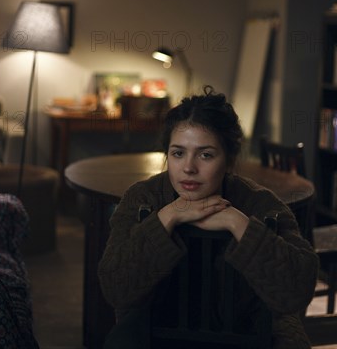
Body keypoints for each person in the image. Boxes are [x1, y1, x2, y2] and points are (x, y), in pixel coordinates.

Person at [98, 86, 319, 348]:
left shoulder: (261, 204)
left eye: (206, 155)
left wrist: (239, 223)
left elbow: (296, 292)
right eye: (178, 153)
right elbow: (115, 288)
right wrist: (167, 217)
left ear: (228, 160)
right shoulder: (142, 199)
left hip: (243, 332)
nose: (189, 168)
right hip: (154, 331)